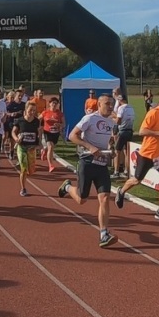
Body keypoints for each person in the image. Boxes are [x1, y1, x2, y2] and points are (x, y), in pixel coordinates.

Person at [57, 94, 119, 247]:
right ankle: (67, 187)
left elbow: (109, 141)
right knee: (82, 199)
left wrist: (111, 150)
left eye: (112, 104)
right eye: (107, 104)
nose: (110, 106)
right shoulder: (89, 119)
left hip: (101, 165)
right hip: (87, 162)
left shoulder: (111, 122)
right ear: (99, 105)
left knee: (105, 198)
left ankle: (103, 234)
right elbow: (72, 136)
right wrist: (90, 147)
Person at [115, 90, 159, 223]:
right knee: (136, 180)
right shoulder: (153, 113)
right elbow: (142, 131)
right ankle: (122, 191)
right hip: (147, 154)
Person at [11, 101, 43, 196]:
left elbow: (39, 133)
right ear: (26, 110)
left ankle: (27, 168)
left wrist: (40, 144)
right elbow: (13, 132)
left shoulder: (37, 121)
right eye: (30, 110)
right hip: (22, 147)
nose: (32, 112)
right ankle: (23, 188)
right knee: (24, 169)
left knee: (31, 171)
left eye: (34, 110)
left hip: (32, 148)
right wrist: (16, 139)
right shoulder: (20, 121)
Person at [112, 94, 135, 179]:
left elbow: (118, 121)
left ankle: (116, 172)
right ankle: (126, 171)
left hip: (122, 131)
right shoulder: (131, 107)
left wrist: (112, 118)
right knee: (126, 152)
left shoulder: (121, 108)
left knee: (117, 151)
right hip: (130, 131)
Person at [40, 97, 65, 173]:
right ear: (49, 104)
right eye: (53, 103)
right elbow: (38, 119)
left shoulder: (60, 113)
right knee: (50, 147)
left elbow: (64, 124)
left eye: (56, 103)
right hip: (47, 132)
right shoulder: (45, 112)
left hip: (55, 133)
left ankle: (44, 150)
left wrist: (59, 125)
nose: (54, 104)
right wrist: (38, 127)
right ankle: (50, 165)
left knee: (51, 147)